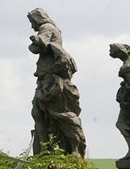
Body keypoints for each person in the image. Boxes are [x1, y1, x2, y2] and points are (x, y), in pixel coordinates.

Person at [27, 8, 86, 158]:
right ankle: (45, 148)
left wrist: (33, 39)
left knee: (57, 114)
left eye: (32, 21)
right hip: (45, 78)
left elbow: (39, 44)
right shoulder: (50, 28)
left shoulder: (46, 27)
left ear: (37, 18)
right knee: (39, 113)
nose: (32, 25)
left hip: (50, 79)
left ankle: (65, 147)